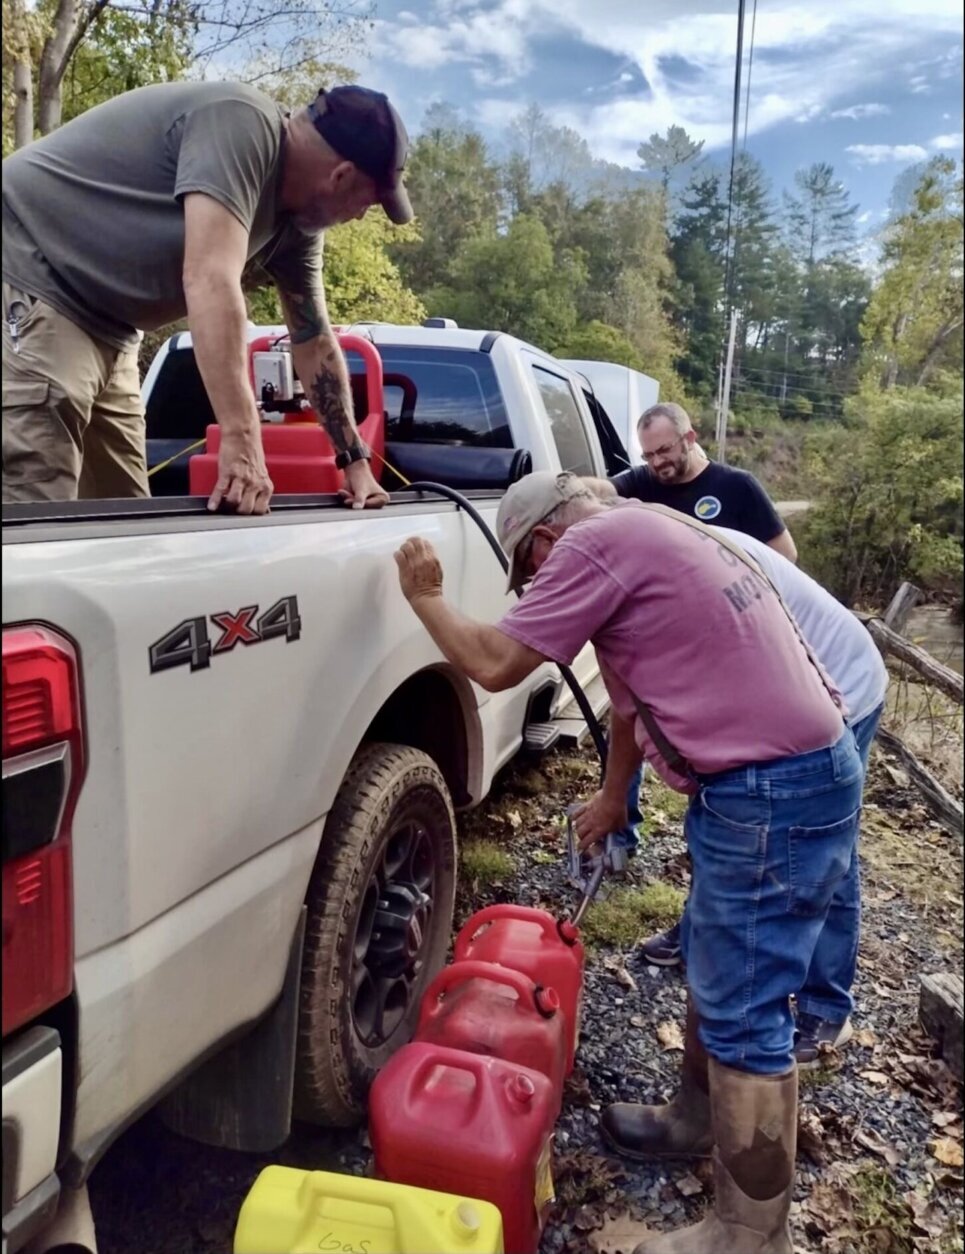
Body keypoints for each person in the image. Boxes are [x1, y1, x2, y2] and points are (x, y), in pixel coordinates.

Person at [395, 471, 863, 1254]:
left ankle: (750, 1234)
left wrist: (425, 596)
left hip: (771, 788)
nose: (540, 583)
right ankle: (694, 1118)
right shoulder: (652, 533)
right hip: (778, 777)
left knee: (746, 1004)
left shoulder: (594, 541)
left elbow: (496, 663)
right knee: (724, 964)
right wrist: (613, 799)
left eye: (530, 569)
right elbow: (627, 703)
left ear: (544, 537)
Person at [2, 81, 406, 514]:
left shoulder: (296, 227)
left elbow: (313, 339)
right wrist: (242, 439)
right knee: (37, 508)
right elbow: (210, 278)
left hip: (111, 325)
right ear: (340, 175)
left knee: (122, 520)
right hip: (29, 271)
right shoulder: (239, 123)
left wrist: (354, 461)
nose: (361, 215)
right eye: (367, 202)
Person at [584, 399, 796, 952]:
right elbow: (595, 495)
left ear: (690, 437)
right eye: (649, 454)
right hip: (661, 647)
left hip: (728, 652)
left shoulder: (737, 488)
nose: (659, 464)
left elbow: (784, 559)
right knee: (627, 726)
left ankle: (712, 910)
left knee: (714, 764)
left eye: (666, 451)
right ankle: (621, 833)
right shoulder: (640, 484)